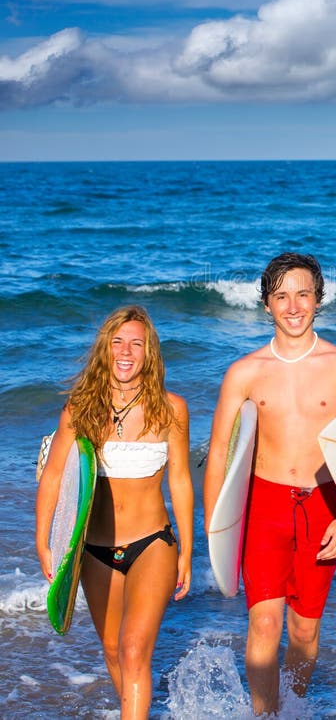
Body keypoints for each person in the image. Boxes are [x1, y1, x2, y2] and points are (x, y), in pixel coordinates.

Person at [204, 252, 336, 716]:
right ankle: (265, 714)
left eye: (303, 294)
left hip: (324, 505)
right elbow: (219, 452)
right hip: (264, 506)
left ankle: (293, 707)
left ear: (319, 299)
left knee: (304, 631)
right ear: (266, 305)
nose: (293, 306)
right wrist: (214, 526)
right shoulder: (244, 372)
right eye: (281, 296)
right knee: (263, 622)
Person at [36, 305, 193, 720]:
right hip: (94, 549)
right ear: (105, 349)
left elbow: (180, 480)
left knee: (133, 648)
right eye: (117, 342)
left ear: (149, 353)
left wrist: (187, 552)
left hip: (152, 543)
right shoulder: (80, 409)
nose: (126, 352)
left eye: (136, 343)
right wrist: (45, 542)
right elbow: (54, 478)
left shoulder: (171, 409)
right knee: (111, 650)